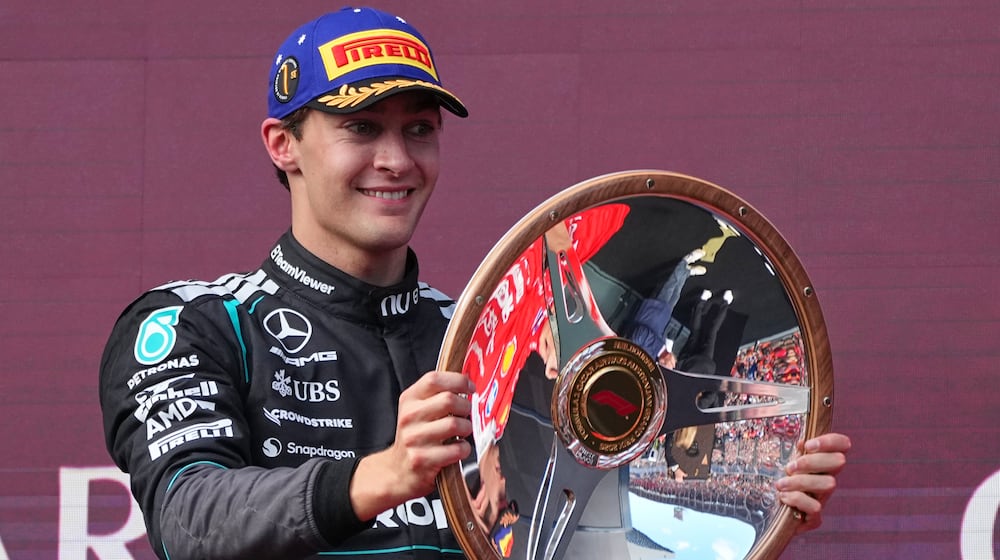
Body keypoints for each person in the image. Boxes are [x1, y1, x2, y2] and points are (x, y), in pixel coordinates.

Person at [98, 6, 850, 559]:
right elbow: (190, 519)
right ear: (282, 143)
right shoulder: (199, 324)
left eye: (419, 129)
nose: (396, 160)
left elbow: (583, 543)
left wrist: (755, 509)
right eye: (361, 128)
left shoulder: (495, 341)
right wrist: (384, 476)